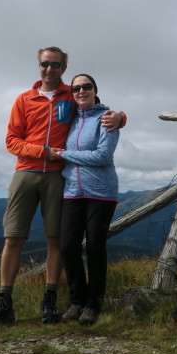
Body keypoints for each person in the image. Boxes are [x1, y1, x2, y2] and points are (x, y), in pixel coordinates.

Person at [0, 47, 124, 328]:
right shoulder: (24, 99)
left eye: (56, 64)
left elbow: (96, 110)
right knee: (13, 237)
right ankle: (4, 303)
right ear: (39, 65)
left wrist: (120, 118)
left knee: (56, 241)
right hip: (27, 171)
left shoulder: (69, 97)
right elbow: (11, 141)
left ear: (64, 66)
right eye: (45, 64)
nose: (50, 69)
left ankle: (51, 302)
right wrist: (44, 152)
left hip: (60, 177)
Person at [49, 74, 119, 326]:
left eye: (86, 87)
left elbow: (102, 156)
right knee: (68, 247)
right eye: (76, 88)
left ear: (95, 90)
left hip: (101, 192)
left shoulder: (108, 118)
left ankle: (93, 304)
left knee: (95, 247)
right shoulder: (69, 118)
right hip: (72, 191)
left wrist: (66, 155)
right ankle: (76, 301)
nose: (81, 91)